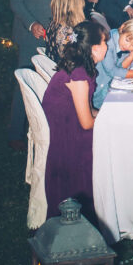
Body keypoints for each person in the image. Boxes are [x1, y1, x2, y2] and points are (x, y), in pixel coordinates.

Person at [42, 21, 108, 221]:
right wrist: (107, 122)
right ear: (94, 48)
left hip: (70, 123)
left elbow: (87, 109)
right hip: (68, 136)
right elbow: (86, 123)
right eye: (104, 42)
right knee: (111, 140)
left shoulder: (81, 67)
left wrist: (106, 114)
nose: (106, 46)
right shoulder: (79, 76)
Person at [9, 0, 66, 150]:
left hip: (53, 36)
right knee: (25, 83)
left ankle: (47, 129)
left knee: (51, 82)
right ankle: (15, 133)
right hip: (29, 35)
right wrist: (32, 24)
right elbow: (16, 1)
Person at [93, 17, 133, 108]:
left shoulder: (122, 43)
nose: (127, 46)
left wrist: (132, 54)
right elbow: (112, 71)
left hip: (109, 85)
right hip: (97, 91)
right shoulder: (108, 43)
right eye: (127, 40)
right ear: (122, 28)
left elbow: (121, 68)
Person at [45, 0, 86, 64]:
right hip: (66, 70)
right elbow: (73, 62)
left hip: (54, 67)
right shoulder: (67, 31)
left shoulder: (53, 23)